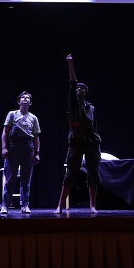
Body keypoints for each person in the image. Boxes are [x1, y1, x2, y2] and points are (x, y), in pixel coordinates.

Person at [54, 54, 101, 214]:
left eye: (83, 88)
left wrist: (80, 124)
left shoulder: (92, 108)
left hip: (91, 142)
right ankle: (60, 206)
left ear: (87, 91)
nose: (79, 89)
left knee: (93, 172)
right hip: (76, 141)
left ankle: (92, 206)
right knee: (71, 172)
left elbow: (93, 126)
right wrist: (70, 64)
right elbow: (72, 82)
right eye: (78, 88)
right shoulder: (73, 104)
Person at [0, 91, 42, 215]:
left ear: (30, 102)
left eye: (27, 97)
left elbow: (36, 137)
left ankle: (25, 204)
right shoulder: (12, 114)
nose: (25, 99)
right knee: (10, 178)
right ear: (19, 101)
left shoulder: (33, 118)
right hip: (14, 147)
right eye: (23, 97)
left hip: (27, 148)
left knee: (26, 179)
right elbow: (5, 132)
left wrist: (37, 152)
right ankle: (5, 205)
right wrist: (4, 147)